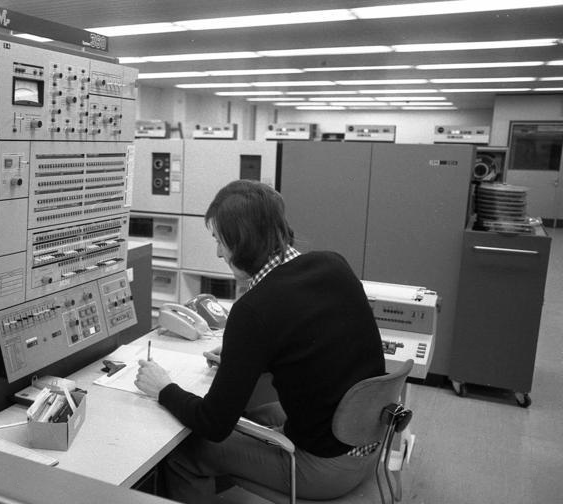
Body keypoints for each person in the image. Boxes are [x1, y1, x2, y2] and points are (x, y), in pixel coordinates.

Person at [134, 179, 385, 502]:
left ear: (242, 242)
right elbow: (309, 344)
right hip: (368, 442)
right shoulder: (333, 264)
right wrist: (246, 355)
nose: (218, 253)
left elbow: (213, 423)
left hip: (325, 467)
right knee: (250, 418)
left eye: (220, 241)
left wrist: (163, 387)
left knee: (187, 449)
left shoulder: (253, 310)